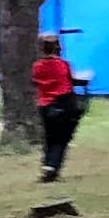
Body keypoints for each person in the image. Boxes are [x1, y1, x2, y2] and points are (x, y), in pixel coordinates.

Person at [33, 29, 88, 183]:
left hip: (44, 105)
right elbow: (70, 81)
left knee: (49, 137)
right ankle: (51, 167)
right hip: (63, 103)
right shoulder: (62, 64)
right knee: (62, 139)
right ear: (58, 47)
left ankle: (47, 165)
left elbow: (36, 82)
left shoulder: (37, 66)